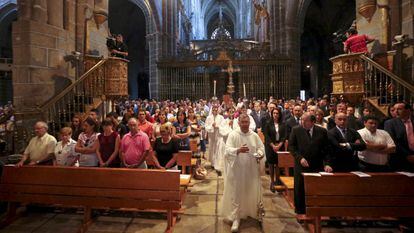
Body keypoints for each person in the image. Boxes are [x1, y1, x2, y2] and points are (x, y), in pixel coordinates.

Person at [222, 113, 265, 232]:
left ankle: (252, 212)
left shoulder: (254, 135)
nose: (245, 124)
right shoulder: (233, 135)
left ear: (249, 123)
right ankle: (236, 218)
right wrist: (238, 150)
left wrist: (260, 154)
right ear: (239, 123)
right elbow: (227, 150)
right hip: (237, 170)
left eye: (247, 122)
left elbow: (261, 148)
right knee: (237, 193)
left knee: (251, 190)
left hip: (251, 169)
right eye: (243, 122)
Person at [288, 113, 332, 215]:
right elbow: (291, 147)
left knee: (315, 189)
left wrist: (327, 164)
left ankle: (315, 211)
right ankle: (300, 211)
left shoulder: (322, 131)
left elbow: (326, 150)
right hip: (301, 164)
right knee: (300, 188)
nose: (302, 122)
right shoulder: (296, 130)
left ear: (313, 122)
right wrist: (300, 158)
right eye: (301, 120)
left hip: (316, 165)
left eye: (305, 121)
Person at [384, 102, 414, 171]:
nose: (396, 111)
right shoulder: (390, 123)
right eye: (394, 109)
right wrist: (408, 155)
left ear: (408, 110)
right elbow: (392, 141)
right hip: (400, 158)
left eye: (399, 109)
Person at [263, 107, 287, 193]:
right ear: (272, 114)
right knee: (271, 163)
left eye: (277, 113)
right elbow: (267, 136)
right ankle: (272, 182)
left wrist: (280, 144)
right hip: (270, 146)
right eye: (274, 113)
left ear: (279, 114)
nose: (275, 115)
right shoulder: (268, 123)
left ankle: (277, 180)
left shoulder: (283, 124)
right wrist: (273, 145)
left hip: (280, 145)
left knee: (278, 164)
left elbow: (285, 135)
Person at [205, 105, 226, 171]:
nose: (215, 111)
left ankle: (218, 164)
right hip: (212, 136)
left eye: (216, 110)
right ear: (212, 110)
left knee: (218, 149)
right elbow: (206, 126)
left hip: (218, 135)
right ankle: (213, 163)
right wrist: (211, 126)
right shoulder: (209, 118)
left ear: (218, 110)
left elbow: (223, 126)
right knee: (212, 149)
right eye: (213, 110)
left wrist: (217, 126)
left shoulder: (221, 117)